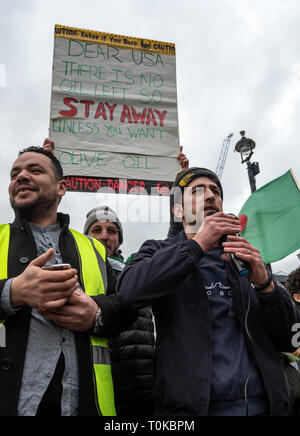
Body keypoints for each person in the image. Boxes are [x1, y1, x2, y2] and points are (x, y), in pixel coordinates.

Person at [118, 166, 300, 416]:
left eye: (216, 191)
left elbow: (289, 338)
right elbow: (129, 291)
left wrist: (266, 285)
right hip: (192, 410)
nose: (210, 196)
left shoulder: (245, 255)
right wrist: (197, 244)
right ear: (178, 210)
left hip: (265, 406)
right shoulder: (157, 250)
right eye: (197, 191)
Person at [0, 146, 136, 416]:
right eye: (15, 173)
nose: (21, 176)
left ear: (62, 188)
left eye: (35, 170)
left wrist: (96, 314)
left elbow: (127, 307)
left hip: (86, 403)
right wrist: (12, 292)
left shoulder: (93, 248)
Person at [84, 205, 155, 416]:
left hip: (141, 394)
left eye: (112, 231)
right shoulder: (73, 276)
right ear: (85, 237)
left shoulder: (138, 275)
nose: (104, 237)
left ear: (120, 239)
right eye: (96, 230)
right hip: (94, 394)